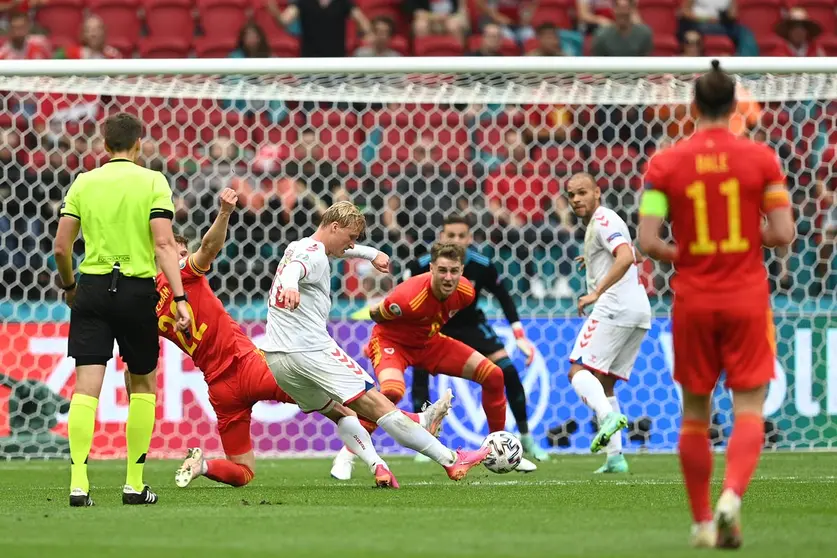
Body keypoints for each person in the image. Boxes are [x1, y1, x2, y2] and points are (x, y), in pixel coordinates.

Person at [140, 190, 451, 488]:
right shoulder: (184, 274)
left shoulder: (147, 309)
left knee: (244, 471)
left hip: (219, 388)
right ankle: (413, 426)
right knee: (342, 404)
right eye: (178, 253)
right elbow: (208, 248)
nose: (183, 257)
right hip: (250, 366)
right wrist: (224, 213)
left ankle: (203, 465)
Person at [638, 60, 795, 548]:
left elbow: (647, 240)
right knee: (748, 406)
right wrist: (748, 239)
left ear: (693, 106)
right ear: (734, 107)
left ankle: (704, 520)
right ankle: (732, 495)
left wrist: (680, 252)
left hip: (694, 300)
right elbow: (784, 233)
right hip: (746, 296)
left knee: (694, 414)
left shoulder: (664, 164)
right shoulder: (762, 160)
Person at [262, 202, 490, 487]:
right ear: (334, 227)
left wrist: (371, 254)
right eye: (351, 237)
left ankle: (377, 465)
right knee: (381, 407)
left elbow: (310, 257)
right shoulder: (313, 256)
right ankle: (450, 458)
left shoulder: (300, 245)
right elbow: (293, 271)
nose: (352, 244)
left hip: (278, 359)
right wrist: (292, 286)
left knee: (342, 413)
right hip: (311, 350)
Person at [54, 112, 191, 507]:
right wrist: (180, 299)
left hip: (92, 289)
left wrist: (69, 287)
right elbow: (165, 244)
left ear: (104, 144)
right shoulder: (152, 181)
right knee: (144, 385)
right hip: (135, 290)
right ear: (138, 144)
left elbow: (62, 247)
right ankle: (134, 483)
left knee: (85, 390)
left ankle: (78, 483)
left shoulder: (84, 181)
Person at [330, 242, 507, 480]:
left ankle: (499, 446)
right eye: (442, 270)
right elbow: (376, 315)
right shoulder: (406, 298)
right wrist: (372, 346)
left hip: (429, 343)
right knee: (392, 392)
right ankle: (347, 454)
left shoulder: (466, 293)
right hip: (394, 344)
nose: (448, 277)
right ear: (431, 269)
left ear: (462, 271)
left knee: (494, 375)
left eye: (454, 271)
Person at [404, 215, 548, 467]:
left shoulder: (481, 265)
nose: (457, 240)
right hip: (435, 328)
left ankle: (523, 438)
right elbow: (406, 299)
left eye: (462, 236)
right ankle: (423, 440)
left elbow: (504, 298)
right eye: (451, 235)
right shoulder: (422, 265)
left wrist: (519, 335)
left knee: (507, 371)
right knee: (420, 373)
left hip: (472, 327)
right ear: (441, 237)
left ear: (470, 239)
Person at [565, 172, 651, 473]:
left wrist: (595, 292)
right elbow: (630, 253)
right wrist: (592, 259)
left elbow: (626, 257)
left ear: (597, 193)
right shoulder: (604, 224)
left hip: (614, 306)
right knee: (605, 382)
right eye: (571, 195)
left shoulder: (603, 220)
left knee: (577, 369)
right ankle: (615, 457)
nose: (576, 199)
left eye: (582, 192)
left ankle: (606, 418)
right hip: (639, 311)